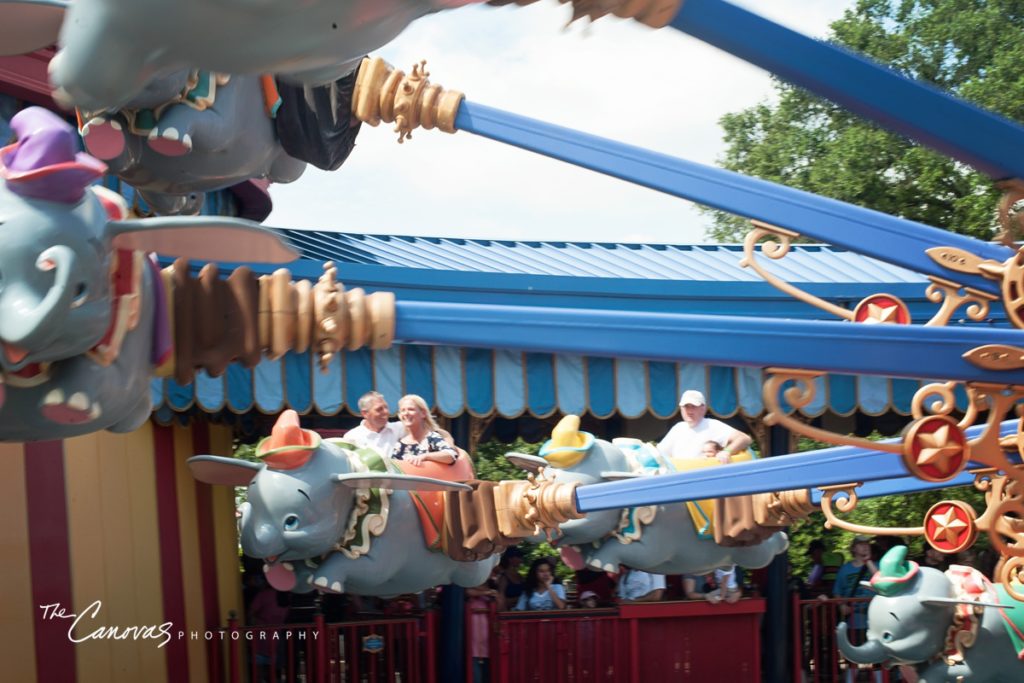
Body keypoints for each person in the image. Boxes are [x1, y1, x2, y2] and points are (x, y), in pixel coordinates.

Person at [658, 390, 752, 461]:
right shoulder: (678, 428)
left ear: (703, 408)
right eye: (686, 406)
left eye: (693, 406)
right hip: (681, 479)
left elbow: (744, 439)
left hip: (705, 479)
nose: (689, 411)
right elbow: (660, 454)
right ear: (681, 408)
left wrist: (726, 452)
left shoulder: (712, 425)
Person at [391, 394, 459, 465]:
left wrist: (424, 457)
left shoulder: (432, 438)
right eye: (403, 410)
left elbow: (451, 455)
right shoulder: (399, 445)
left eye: (411, 409)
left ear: (423, 413)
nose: (406, 413)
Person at [343, 390, 403, 457]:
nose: (386, 412)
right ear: (365, 413)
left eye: (386, 407)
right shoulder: (352, 437)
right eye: (379, 409)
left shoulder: (400, 428)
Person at [496, 547, 525, 611]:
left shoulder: (520, 577)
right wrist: (519, 598)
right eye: (518, 557)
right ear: (510, 559)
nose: (521, 560)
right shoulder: (503, 578)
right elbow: (501, 599)